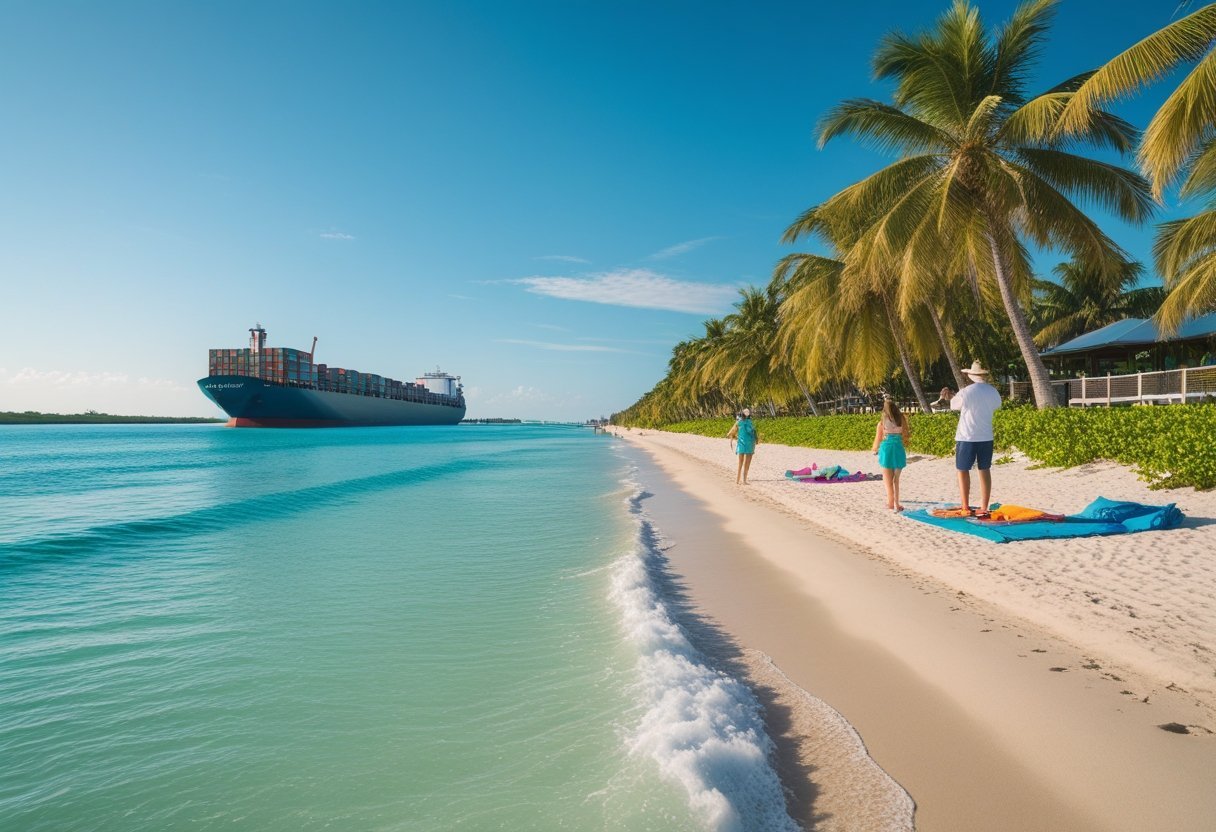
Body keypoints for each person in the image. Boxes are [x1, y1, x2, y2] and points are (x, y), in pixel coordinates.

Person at [940, 360, 1002, 516]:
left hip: (966, 436)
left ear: (970, 375)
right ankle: (984, 506)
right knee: (984, 470)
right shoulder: (993, 391)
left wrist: (949, 396)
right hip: (986, 436)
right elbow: (996, 406)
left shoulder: (966, 391)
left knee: (962, 470)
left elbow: (954, 405)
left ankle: (965, 506)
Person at [870, 396, 909, 511]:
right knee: (896, 480)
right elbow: (906, 436)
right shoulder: (902, 420)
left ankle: (890, 503)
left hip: (886, 450)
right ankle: (897, 504)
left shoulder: (882, 423)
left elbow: (878, 439)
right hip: (898, 449)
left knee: (887, 480)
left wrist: (875, 449)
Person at [726, 408, 758, 485]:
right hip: (750, 444)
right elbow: (754, 434)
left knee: (740, 463)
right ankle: (744, 480)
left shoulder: (738, 422)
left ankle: (737, 480)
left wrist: (736, 438)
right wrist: (756, 440)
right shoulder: (750, 422)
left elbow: (729, 434)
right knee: (747, 463)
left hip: (741, 444)